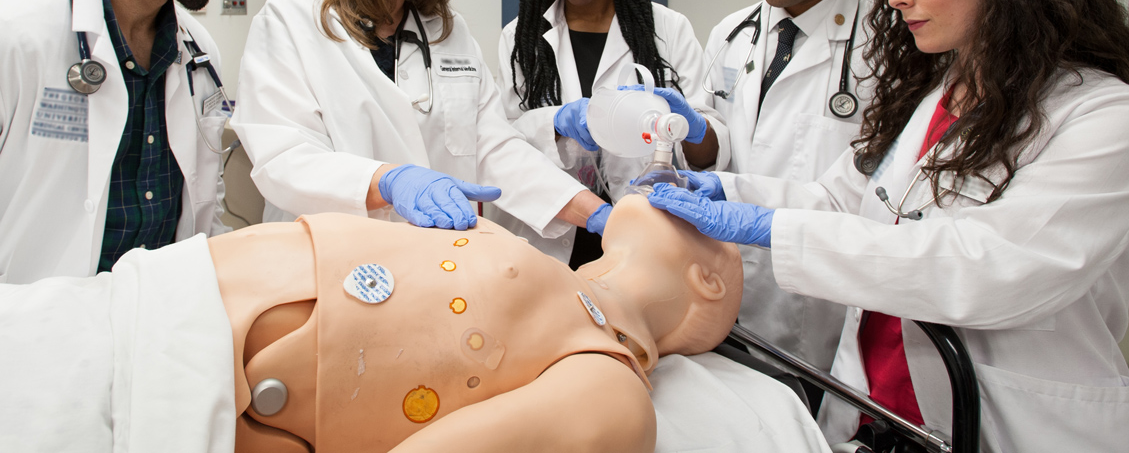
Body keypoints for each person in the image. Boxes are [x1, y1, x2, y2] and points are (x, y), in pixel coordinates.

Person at [650, 0, 1129, 451]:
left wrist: (773, 229)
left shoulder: (1111, 119)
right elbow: (841, 199)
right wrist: (727, 196)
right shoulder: (938, 92)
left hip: (1014, 423)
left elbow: (988, 268)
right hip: (877, 408)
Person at [0, 194, 743, 453]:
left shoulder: (610, 387)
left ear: (708, 280)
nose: (688, 195)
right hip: (128, 299)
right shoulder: (540, 262)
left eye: (714, 218)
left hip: (144, 391)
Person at [231, 0, 603, 235]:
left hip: (435, 263)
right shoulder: (292, 18)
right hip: (330, 261)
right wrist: (386, 182)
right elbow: (283, 158)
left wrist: (595, 213)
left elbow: (495, 147)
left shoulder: (448, 30)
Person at [0, 0, 239, 284]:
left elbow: (205, 200)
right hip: (30, 327)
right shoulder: (14, 30)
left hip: (165, 314)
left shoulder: (199, 53)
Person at [499, 0, 729, 267]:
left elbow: (709, 151)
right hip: (554, 237)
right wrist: (557, 123)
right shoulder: (520, 39)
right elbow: (503, 141)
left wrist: (690, 126)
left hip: (650, 233)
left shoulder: (667, 28)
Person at [701, 0, 870, 373]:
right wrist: (690, 130)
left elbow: (877, 183)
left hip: (824, 293)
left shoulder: (885, 47)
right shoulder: (732, 33)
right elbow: (718, 135)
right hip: (731, 281)